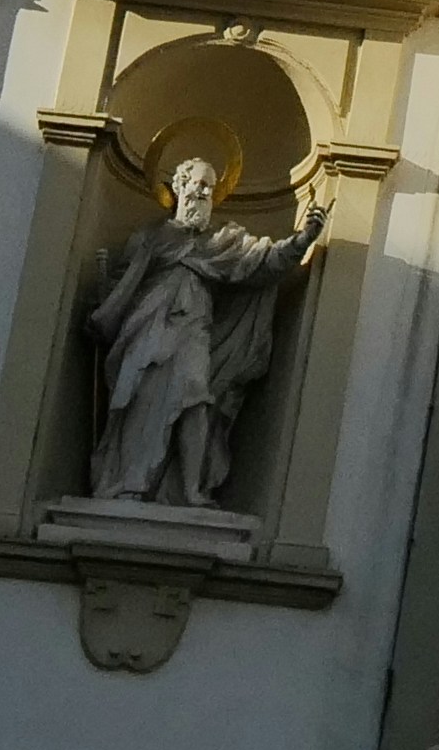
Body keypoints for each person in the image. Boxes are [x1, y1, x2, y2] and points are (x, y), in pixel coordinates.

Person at [78, 155, 313, 513]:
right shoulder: (151, 237)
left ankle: (190, 490)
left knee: (195, 402)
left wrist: (303, 240)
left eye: (210, 187)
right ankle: (129, 483)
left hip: (193, 330)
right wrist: (105, 299)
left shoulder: (222, 241)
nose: (203, 193)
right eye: (198, 184)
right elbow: (123, 286)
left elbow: (263, 262)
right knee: (142, 401)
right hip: (148, 328)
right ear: (179, 186)